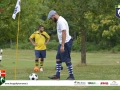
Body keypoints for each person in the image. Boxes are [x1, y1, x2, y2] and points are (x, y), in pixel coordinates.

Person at [47, 10, 75, 80]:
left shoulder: (61, 21)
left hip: (65, 43)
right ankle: (57, 76)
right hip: (62, 43)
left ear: (54, 15)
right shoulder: (59, 21)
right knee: (58, 58)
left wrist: (62, 45)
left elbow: (64, 33)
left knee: (66, 59)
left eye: (51, 18)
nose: (51, 20)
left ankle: (71, 76)